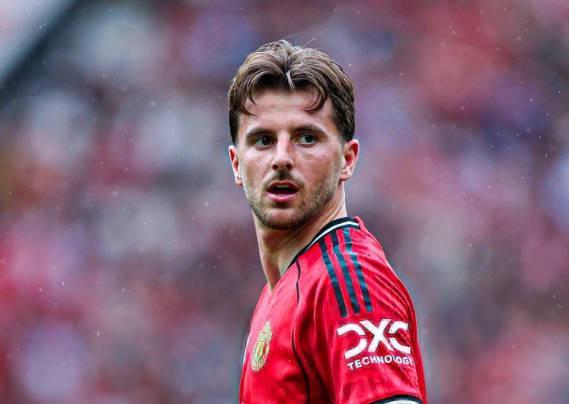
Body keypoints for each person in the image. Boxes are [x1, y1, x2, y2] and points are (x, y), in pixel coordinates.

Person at [228, 40, 427, 404]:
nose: (282, 158)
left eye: (307, 138)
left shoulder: (347, 277)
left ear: (347, 160)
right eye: (263, 140)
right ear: (236, 164)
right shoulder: (281, 289)